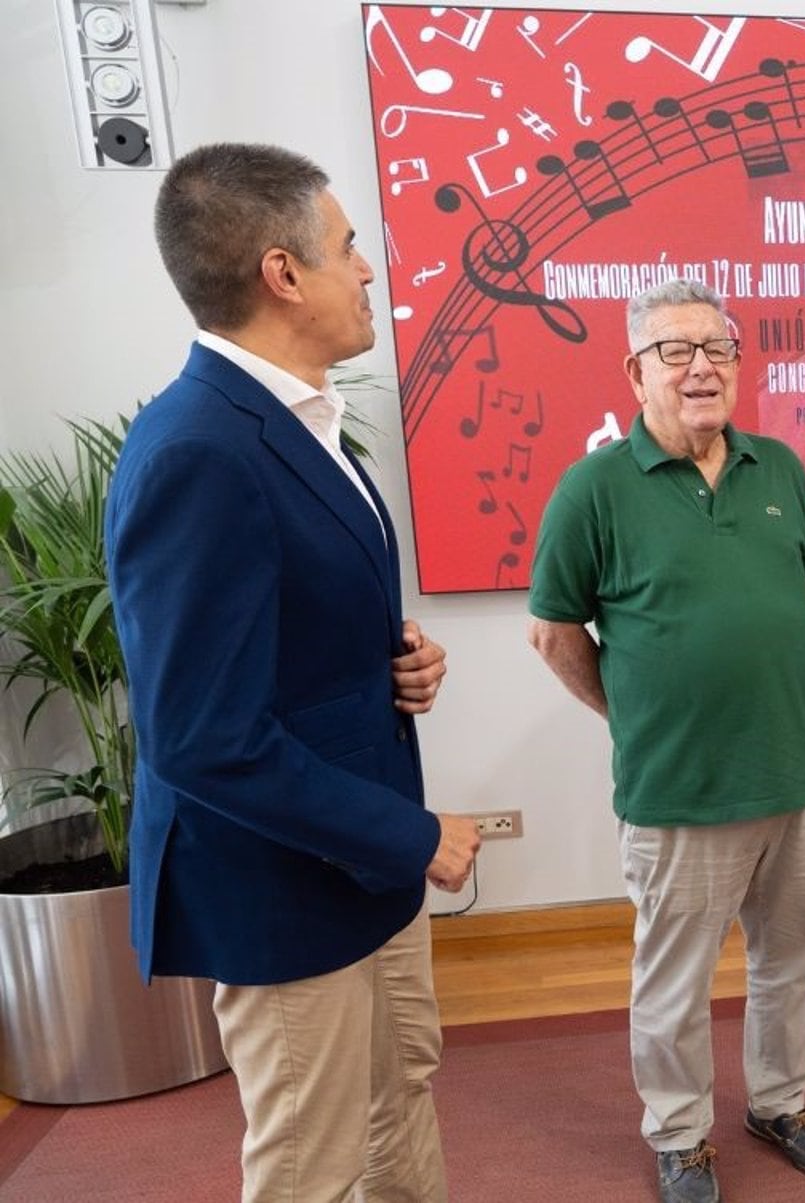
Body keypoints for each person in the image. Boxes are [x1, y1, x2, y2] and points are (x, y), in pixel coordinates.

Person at [104, 143, 481, 1201]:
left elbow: (283, 644)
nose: (367, 271)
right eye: (350, 247)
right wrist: (413, 836)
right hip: (283, 883)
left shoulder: (304, 425)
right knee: (310, 1165)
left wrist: (393, 663)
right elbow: (202, 738)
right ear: (283, 273)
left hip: (359, 864)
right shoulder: (197, 449)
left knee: (401, 1091)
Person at [527, 279, 805, 1203]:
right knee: (674, 983)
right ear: (635, 371)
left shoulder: (778, 467)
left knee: (789, 961)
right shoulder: (592, 489)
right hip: (677, 792)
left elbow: (797, 592)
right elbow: (554, 634)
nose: (701, 366)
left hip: (795, 776)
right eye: (676, 350)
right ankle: (679, 1133)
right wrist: (637, 713)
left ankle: (780, 1103)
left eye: (718, 348)